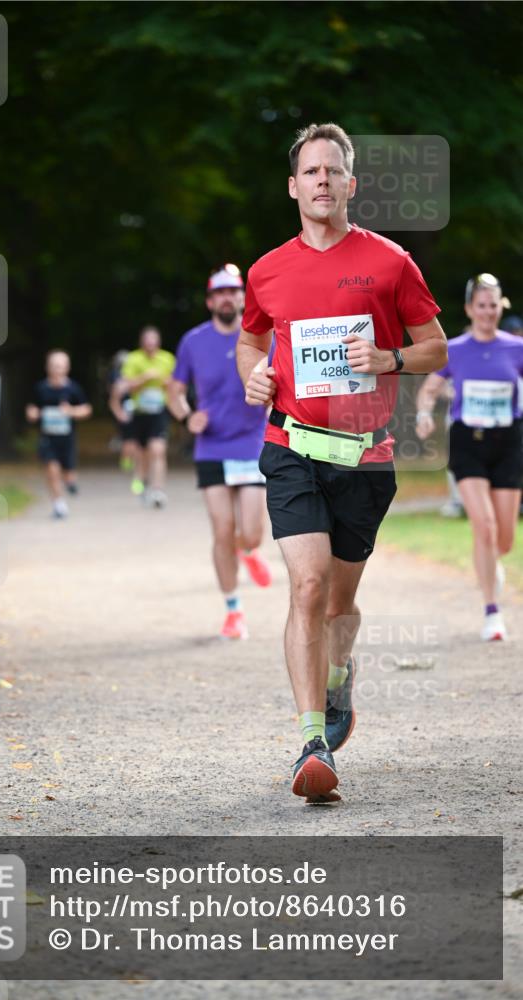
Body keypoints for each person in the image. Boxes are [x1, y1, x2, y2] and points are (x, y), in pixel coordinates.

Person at [237, 122, 447, 802]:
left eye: (332, 171)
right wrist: (254, 377)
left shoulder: (389, 263)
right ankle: (310, 740)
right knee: (307, 585)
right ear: (292, 186)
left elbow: (435, 347)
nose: (321, 181)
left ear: (349, 184)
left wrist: (388, 359)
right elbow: (249, 341)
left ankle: (336, 677)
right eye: (310, 172)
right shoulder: (267, 269)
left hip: (364, 457)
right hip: (290, 446)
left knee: (340, 603)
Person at [416, 273, 523, 641]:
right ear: (469, 309)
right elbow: (429, 388)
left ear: (500, 306)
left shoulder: (516, 348)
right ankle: (492, 611)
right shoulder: (456, 350)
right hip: (468, 443)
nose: (488, 312)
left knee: (505, 538)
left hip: (509, 442)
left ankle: (493, 564)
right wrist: (424, 414)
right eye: (481, 305)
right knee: (485, 526)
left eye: (494, 305)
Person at [168, 264, 272, 640]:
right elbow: (175, 390)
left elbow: (282, 382)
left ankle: (250, 551)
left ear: (243, 296)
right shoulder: (193, 341)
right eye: (220, 293)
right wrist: (186, 416)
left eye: (234, 291)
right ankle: (233, 610)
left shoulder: (263, 337)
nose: (228, 298)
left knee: (253, 532)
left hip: (251, 444)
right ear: (210, 300)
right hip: (211, 447)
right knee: (222, 530)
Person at [26, 350, 92, 519]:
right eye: (54, 366)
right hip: (47, 438)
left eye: (60, 366)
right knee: (52, 470)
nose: (57, 369)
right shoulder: (40, 388)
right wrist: (33, 413)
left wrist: (71, 411)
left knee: (68, 472)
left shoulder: (73, 389)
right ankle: (59, 505)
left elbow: (86, 409)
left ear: (67, 368)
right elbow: (32, 408)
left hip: (67, 438)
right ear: (47, 367)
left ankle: (70, 481)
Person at [121, 326, 176, 508]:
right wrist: (145, 378)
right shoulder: (133, 358)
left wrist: (166, 383)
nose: (151, 343)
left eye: (154, 339)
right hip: (139, 412)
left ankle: (158, 489)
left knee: (157, 449)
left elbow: (175, 385)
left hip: (159, 411)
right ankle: (142, 481)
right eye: (147, 339)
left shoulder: (167, 358)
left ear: (158, 341)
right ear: (142, 341)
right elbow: (127, 386)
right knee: (142, 453)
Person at [107, 350, 143, 492]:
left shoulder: (138, 375)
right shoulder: (117, 377)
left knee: (138, 444)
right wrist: (118, 413)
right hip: (126, 413)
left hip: (139, 413)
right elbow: (113, 397)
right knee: (129, 442)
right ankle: (127, 462)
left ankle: (138, 475)